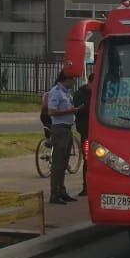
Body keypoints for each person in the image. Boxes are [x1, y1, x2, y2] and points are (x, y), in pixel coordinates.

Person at [45, 70, 78, 205]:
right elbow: (51, 111)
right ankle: (54, 194)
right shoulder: (56, 92)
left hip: (67, 128)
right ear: (66, 79)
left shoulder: (65, 93)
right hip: (59, 129)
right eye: (72, 79)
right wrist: (68, 111)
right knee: (57, 163)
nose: (74, 82)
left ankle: (62, 190)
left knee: (64, 163)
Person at [73, 76, 92, 198]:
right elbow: (77, 109)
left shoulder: (98, 91)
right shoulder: (80, 93)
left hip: (97, 130)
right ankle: (86, 187)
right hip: (86, 130)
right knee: (87, 159)